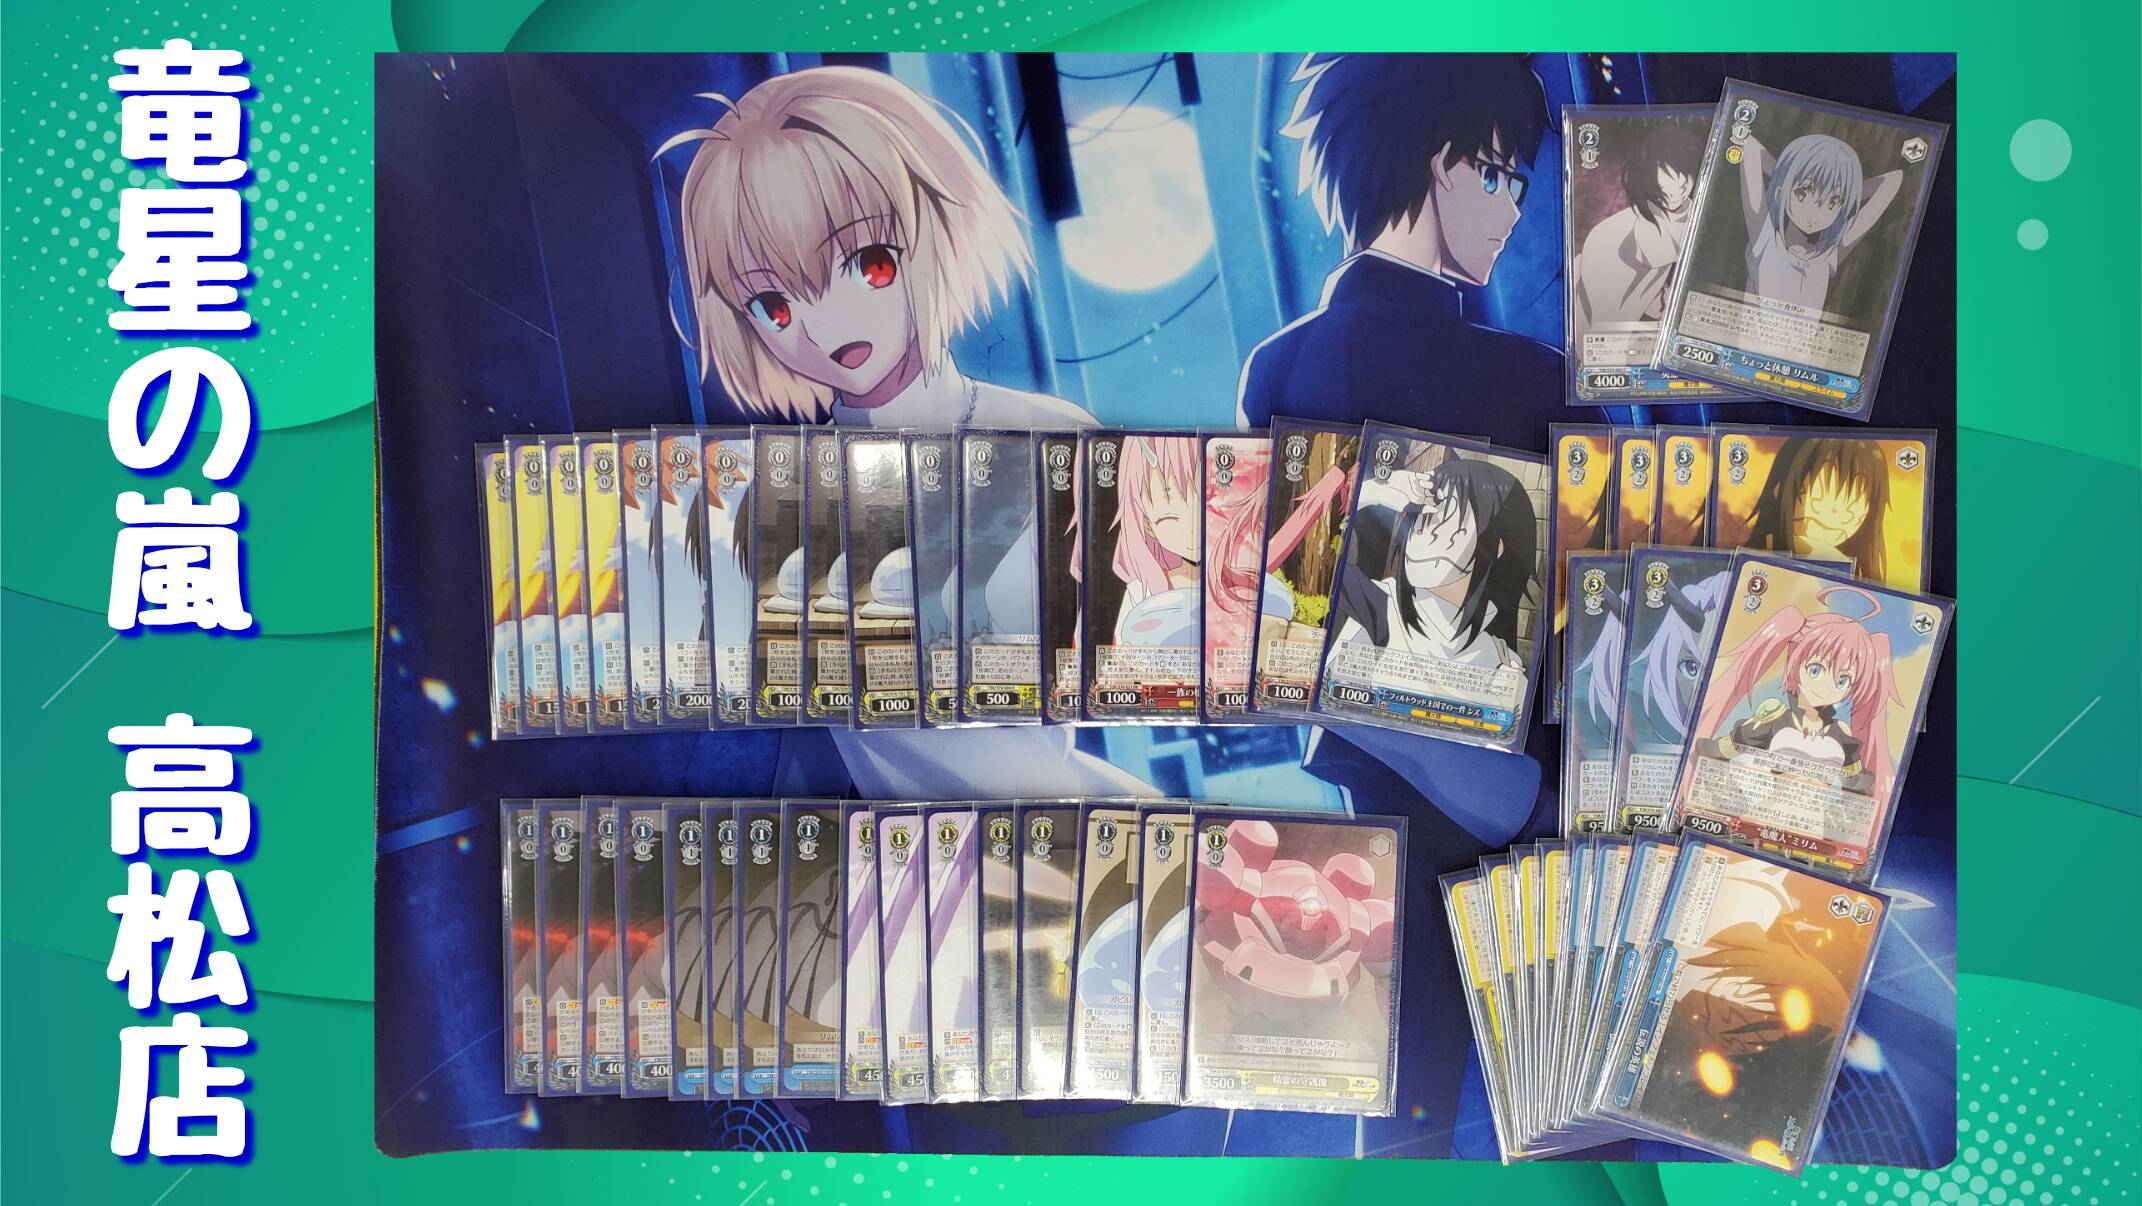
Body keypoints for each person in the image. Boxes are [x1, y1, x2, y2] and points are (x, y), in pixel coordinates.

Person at [1236, 53, 1562, 450]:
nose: (1513, 212)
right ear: (1441, 165)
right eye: (1493, 178)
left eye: (1514, 187)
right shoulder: (1534, 381)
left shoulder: (1272, 369)